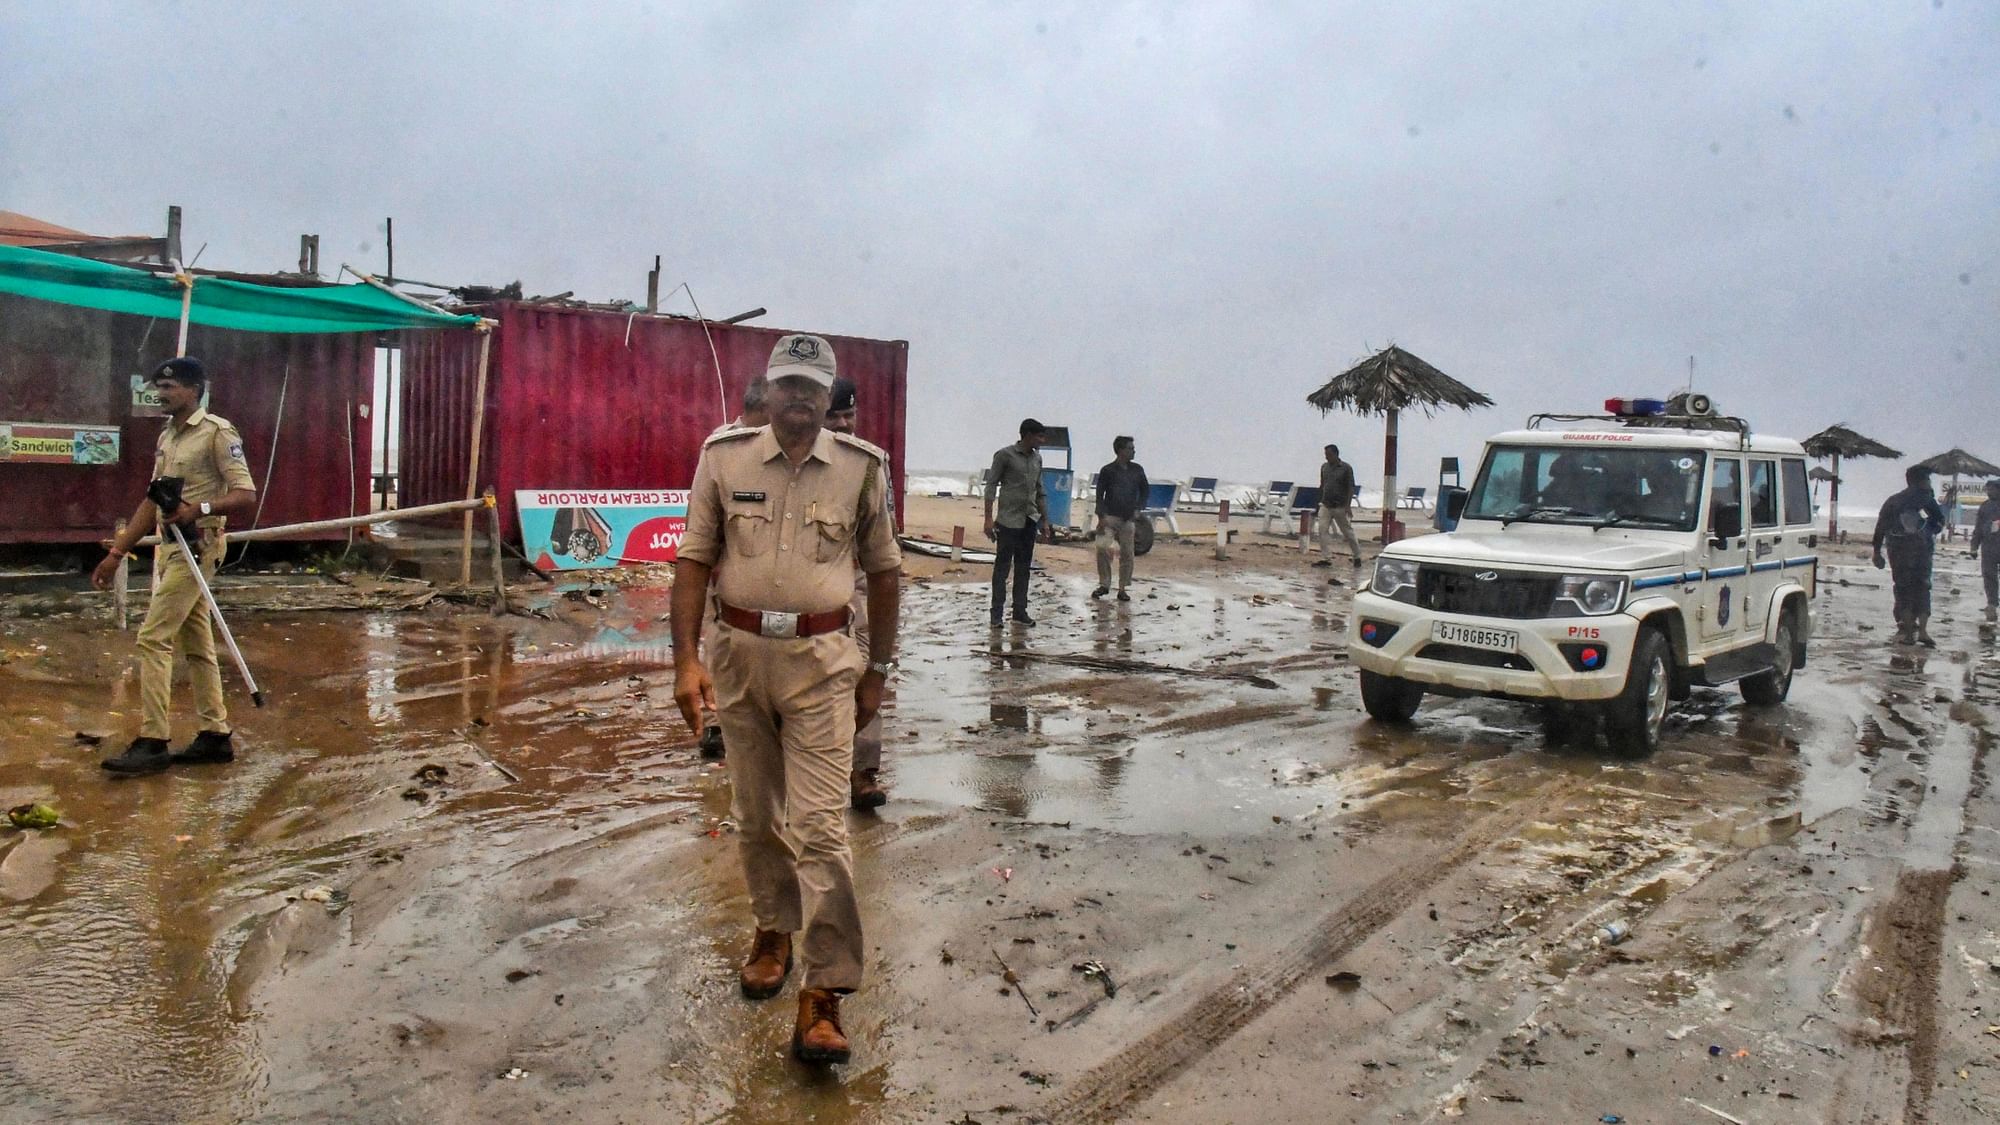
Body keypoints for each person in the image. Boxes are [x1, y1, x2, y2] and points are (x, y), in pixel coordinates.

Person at [671, 334, 901, 1066]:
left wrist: (879, 670)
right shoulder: (724, 456)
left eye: (813, 387)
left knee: (822, 829)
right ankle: (772, 930)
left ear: (829, 397)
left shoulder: (863, 471)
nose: (799, 397)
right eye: (787, 384)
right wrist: (684, 660)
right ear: (768, 390)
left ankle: (824, 992)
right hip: (737, 659)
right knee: (753, 815)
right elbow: (693, 560)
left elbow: (885, 573)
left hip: (823, 664)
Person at [91, 358, 259, 775]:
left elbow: (244, 493)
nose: (161, 394)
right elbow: (152, 500)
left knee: (152, 638)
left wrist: (197, 508)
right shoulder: (167, 436)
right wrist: (117, 554)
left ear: (192, 390)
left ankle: (153, 740)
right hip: (171, 549)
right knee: (197, 642)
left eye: (169, 388)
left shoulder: (217, 433)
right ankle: (214, 736)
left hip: (199, 546)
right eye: (159, 388)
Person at [695, 373, 773, 760]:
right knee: (720, 650)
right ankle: (716, 725)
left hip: (759, 570)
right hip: (725, 568)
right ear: (758, 409)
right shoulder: (723, 447)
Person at [825, 376, 889, 809]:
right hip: (812, 594)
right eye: (836, 417)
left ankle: (863, 773)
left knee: (864, 673)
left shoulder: (870, 463)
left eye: (851, 415)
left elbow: (886, 542)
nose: (846, 425)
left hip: (859, 589)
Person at [983, 419, 1050, 627]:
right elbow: (991, 486)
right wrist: (987, 518)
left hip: (1029, 519)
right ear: (1028, 435)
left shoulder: (1037, 459)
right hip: (1008, 520)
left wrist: (1045, 520)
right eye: (1039, 436)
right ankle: (996, 615)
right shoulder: (1005, 455)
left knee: (1023, 568)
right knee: (1002, 568)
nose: (1042, 440)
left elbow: (1040, 491)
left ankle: (1020, 612)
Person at [1873, 464, 1947, 646]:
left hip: (1898, 550)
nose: (1929, 483)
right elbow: (1939, 522)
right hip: (1922, 550)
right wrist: (1927, 530)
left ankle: (1907, 634)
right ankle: (1922, 631)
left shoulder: (1893, 501)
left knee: (1903, 588)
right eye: (1928, 479)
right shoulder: (1927, 500)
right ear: (1921, 481)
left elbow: (1880, 527)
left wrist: (1877, 551)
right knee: (1922, 587)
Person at [1092, 436, 1148, 602]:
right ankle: (1104, 584)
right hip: (1109, 517)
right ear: (1121, 450)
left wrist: (1138, 508)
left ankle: (1123, 588)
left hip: (1127, 519)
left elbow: (1145, 490)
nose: (1133, 451)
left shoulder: (1137, 469)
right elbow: (1099, 494)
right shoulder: (1108, 470)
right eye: (1130, 448)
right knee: (1102, 549)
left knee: (1127, 553)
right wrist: (1101, 516)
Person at [1312, 444, 1362, 572]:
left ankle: (1357, 556)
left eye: (1328, 454)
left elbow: (1350, 487)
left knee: (1347, 532)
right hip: (1326, 504)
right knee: (1322, 530)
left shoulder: (1346, 468)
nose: (1326, 457)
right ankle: (1326, 558)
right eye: (1325, 455)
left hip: (1340, 505)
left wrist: (1348, 505)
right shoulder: (1324, 467)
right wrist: (1318, 502)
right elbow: (1322, 485)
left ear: (1335, 454)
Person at [1969, 478, 2000, 624]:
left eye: (1992, 489)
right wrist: (1973, 547)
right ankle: (1992, 604)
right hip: (1988, 547)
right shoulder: (1985, 507)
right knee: (1989, 576)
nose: (1989, 492)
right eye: (1988, 489)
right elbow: (1978, 528)